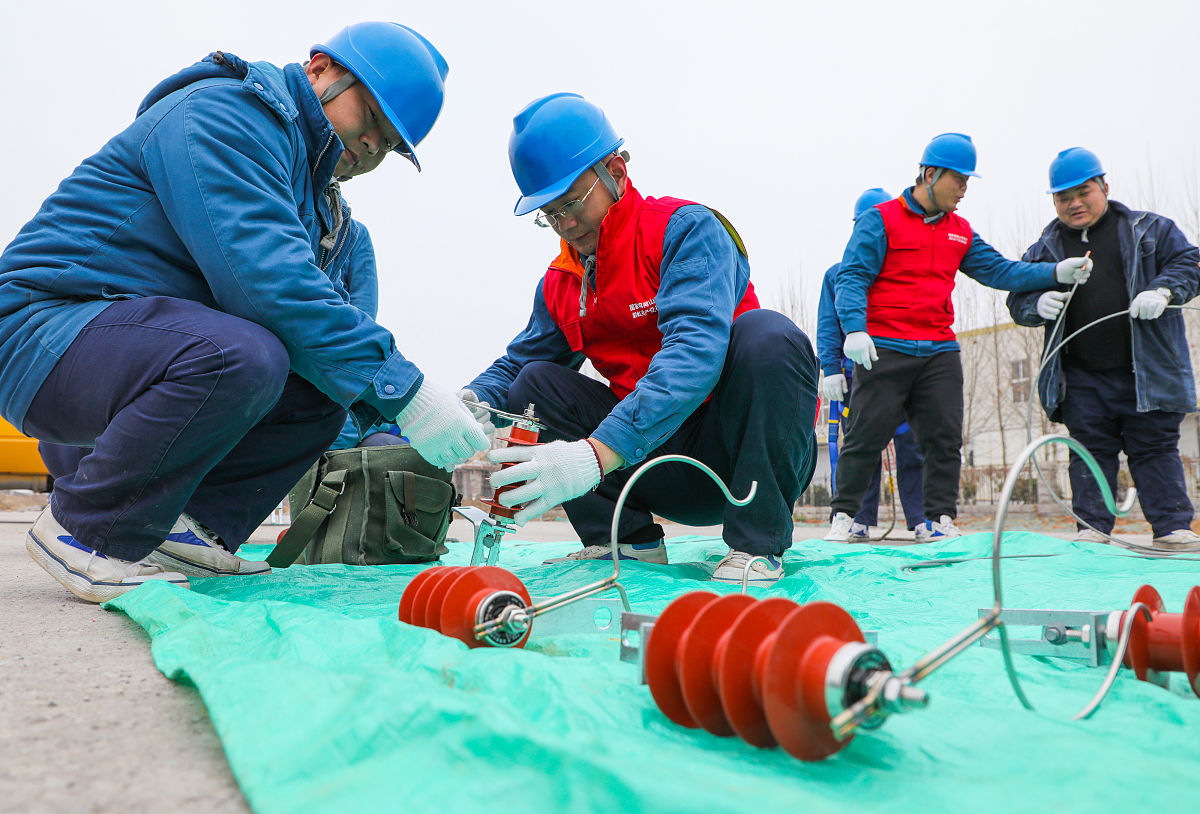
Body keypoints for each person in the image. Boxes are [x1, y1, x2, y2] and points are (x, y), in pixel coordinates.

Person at [1, 22, 489, 603]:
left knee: (319, 392)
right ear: (320, 69)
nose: (371, 147)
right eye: (373, 119)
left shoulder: (314, 200)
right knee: (247, 354)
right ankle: (87, 530)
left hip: (131, 358)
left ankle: (182, 529)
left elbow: (322, 330)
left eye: (389, 144)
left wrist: (401, 415)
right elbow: (270, 284)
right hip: (45, 335)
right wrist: (408, 391)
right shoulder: (224, 116)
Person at [460, 93, 818, 585]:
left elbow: (695, 353)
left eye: (571, 202)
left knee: (769, 336)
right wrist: (467, 404)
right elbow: (520, 361)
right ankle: (626, 542)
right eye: (548, 212)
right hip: (650, 466)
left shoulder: (685, 231)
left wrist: (595, 454)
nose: (563, 223)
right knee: (533, 384)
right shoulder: (563, 281)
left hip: (735, 458)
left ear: (616, 173)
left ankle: (757, 546)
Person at [825, 133, 1095, 542]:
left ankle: (938, 519)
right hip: (886, 346)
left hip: (938, 349)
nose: (965, 189)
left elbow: (1001, 271)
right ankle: (845, 517)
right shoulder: (879, 220)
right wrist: (855, 328)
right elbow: (852, 276)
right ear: (930, 174)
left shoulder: (959, 231)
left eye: (969, 180)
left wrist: (1055, 272)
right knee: (866, 435)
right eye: (959, 179)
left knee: (944, 439)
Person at [1007, 147, 1200, 551]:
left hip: (1147, 372)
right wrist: (1035, 304)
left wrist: (1163, 289)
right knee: (1090, 453)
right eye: (1063, 197)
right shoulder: (1046, 248)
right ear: (1054, 201)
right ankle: (1091, 531)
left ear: (1104, 187)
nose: (1074, 203)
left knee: (1155, 450)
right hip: (1081, 377)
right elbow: (1017, 298)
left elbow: (1189, 263)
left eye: (1084, 192)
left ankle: (1171, 529)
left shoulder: (1150, 231)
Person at [817, 188, 927, 540]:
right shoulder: (838, 275)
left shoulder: (908, 270)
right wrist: (831, 368)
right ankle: (857, 519)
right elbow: (828, 326)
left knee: (914, 449)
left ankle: (923, 519)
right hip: (859, 380)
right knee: (862, 450)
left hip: (905, 377)